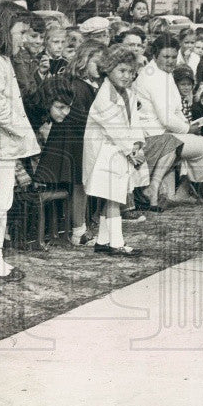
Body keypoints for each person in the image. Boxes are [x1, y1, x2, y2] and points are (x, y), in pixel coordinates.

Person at [0, 7, 39, 281]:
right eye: (20, 33)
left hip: (8, 144)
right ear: (6, 30)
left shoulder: (3, 61)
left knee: (3, 201)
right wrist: (21, 133)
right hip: (1, 144)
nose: (24, 39)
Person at [135, 34, 203, 208]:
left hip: (165, 132)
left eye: (174, 57)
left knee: (196, 143)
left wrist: (188, 126)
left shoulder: (163, 73)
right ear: (155, 56)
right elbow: (166, 119)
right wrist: (188, 129)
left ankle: (180, 190)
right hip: (152, 135)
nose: (170, 61)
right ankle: (197, 189)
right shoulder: (154, 77)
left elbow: (175, 112)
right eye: (166, 57)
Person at [35, 41, 104, 246]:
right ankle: (78, 230)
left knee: (81, 186)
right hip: (68, 144)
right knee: (79, 185)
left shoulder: (89, 85)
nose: (101, 67)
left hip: (77, 142)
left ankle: (81, 227)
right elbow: (77, 117)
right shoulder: (77, 85)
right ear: (84, 61)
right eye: (96, 62)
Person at [84, 46, 150, 256]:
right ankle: (116, 243)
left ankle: (103, 240)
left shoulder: (129, 94)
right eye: (122, 71)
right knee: (114, 198)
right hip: (106, 155)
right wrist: (131, 149)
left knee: (111, 196)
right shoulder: (104, 97)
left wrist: (138, 144)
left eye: (131, 72)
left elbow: (134, 123)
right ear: (108, 69)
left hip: (119, 153)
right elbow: (115, 129)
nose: (127, 76)